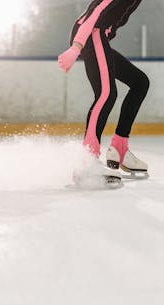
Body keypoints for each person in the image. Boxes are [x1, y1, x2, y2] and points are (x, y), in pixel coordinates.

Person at [58, 0, 149, 184]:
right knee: (106, 93)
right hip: (91, 32)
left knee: (139, 82)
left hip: (99, 35)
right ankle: (87, 159)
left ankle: (119, 148)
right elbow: (96, 12)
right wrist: (77, 47)